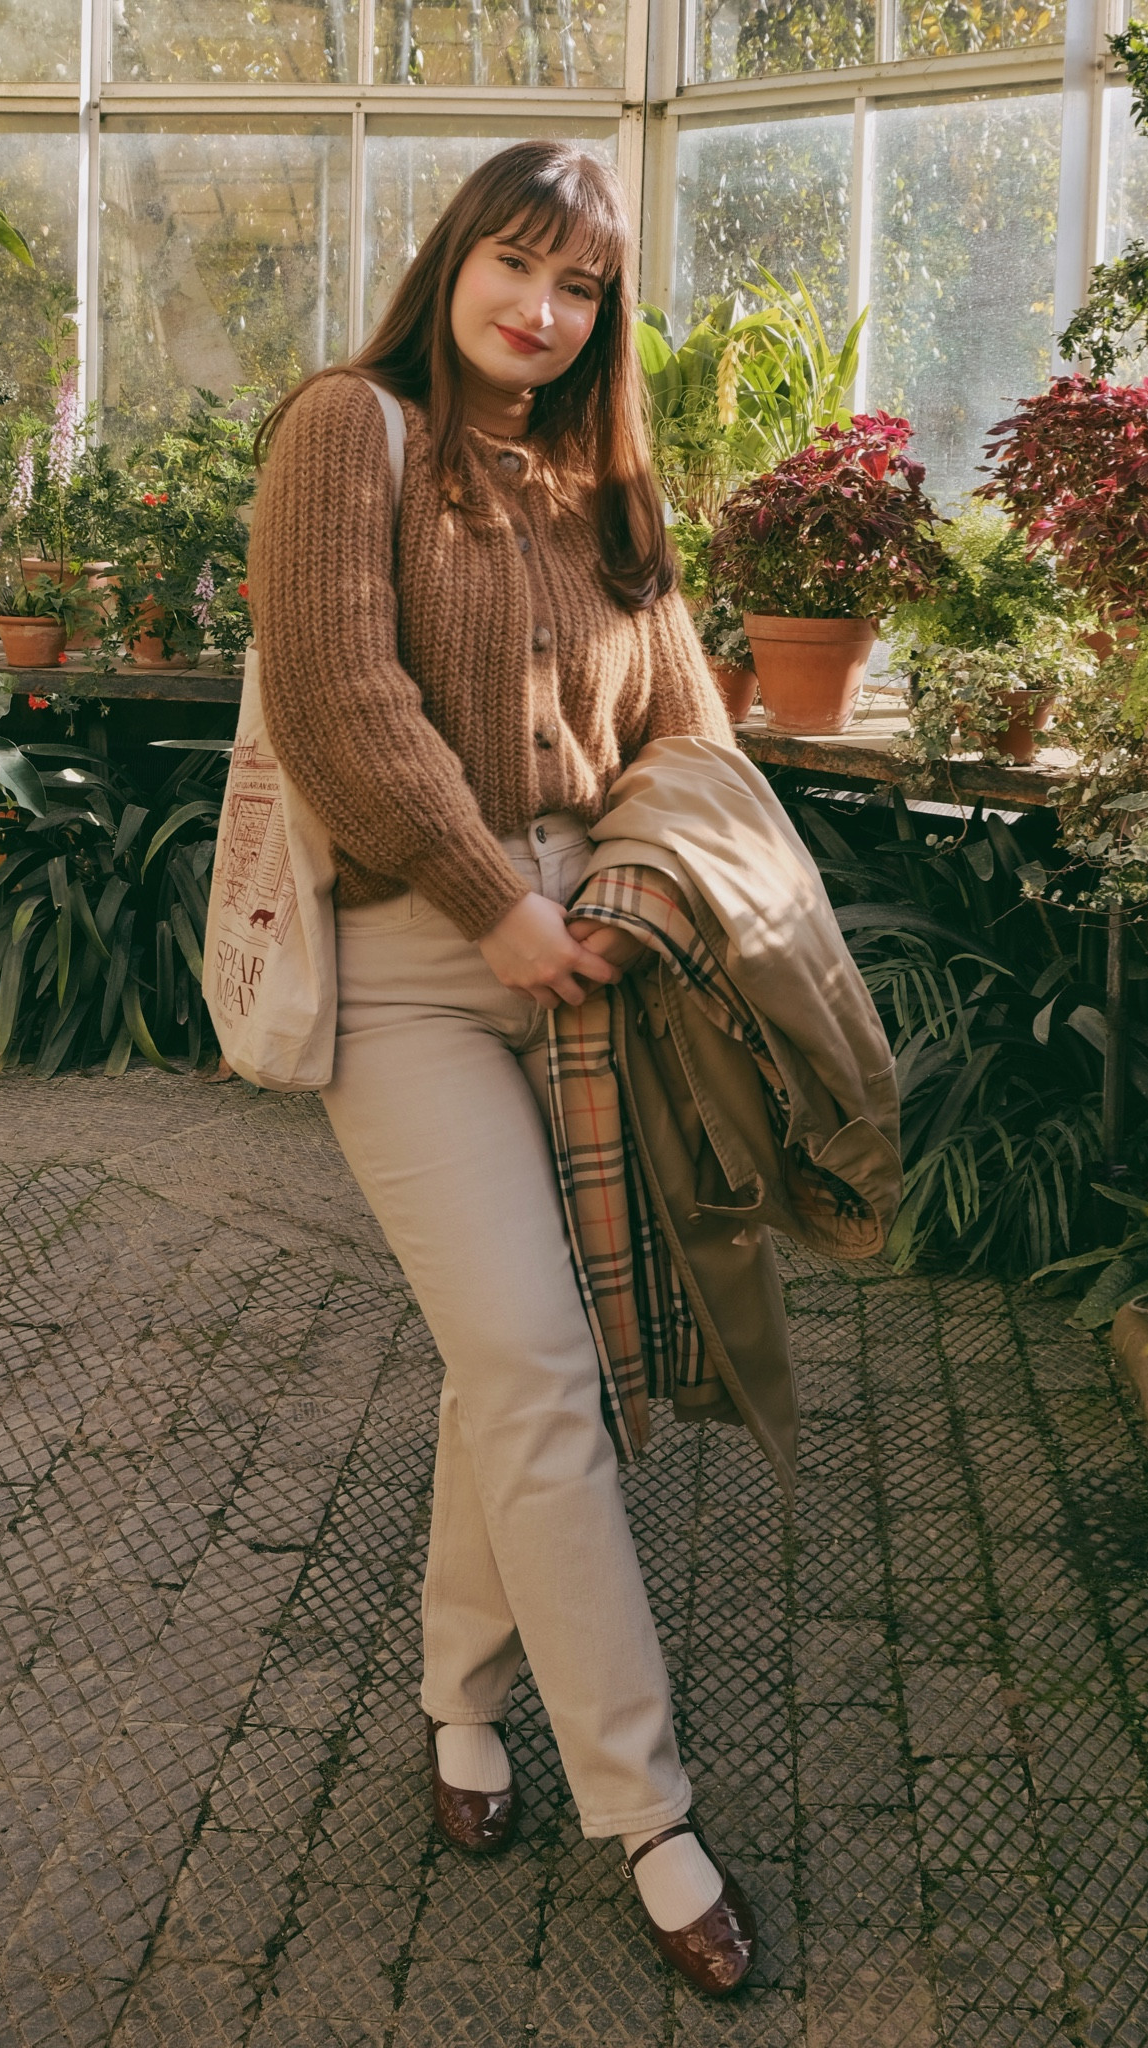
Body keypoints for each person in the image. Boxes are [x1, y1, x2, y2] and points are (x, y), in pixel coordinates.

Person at [247, 140, 756, 1995]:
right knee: (545, 1367)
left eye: (578, 289)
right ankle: (650, 1808)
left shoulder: (606, 475)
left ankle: (460, 1701)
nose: (539, 313)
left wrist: (628, 894)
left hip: (587, 952)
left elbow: (686, 720)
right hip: (412, 963)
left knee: (509, 1352)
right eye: (514, 267)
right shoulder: (349, 431)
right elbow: (336, 694)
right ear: (453, 254)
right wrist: (494, 902)